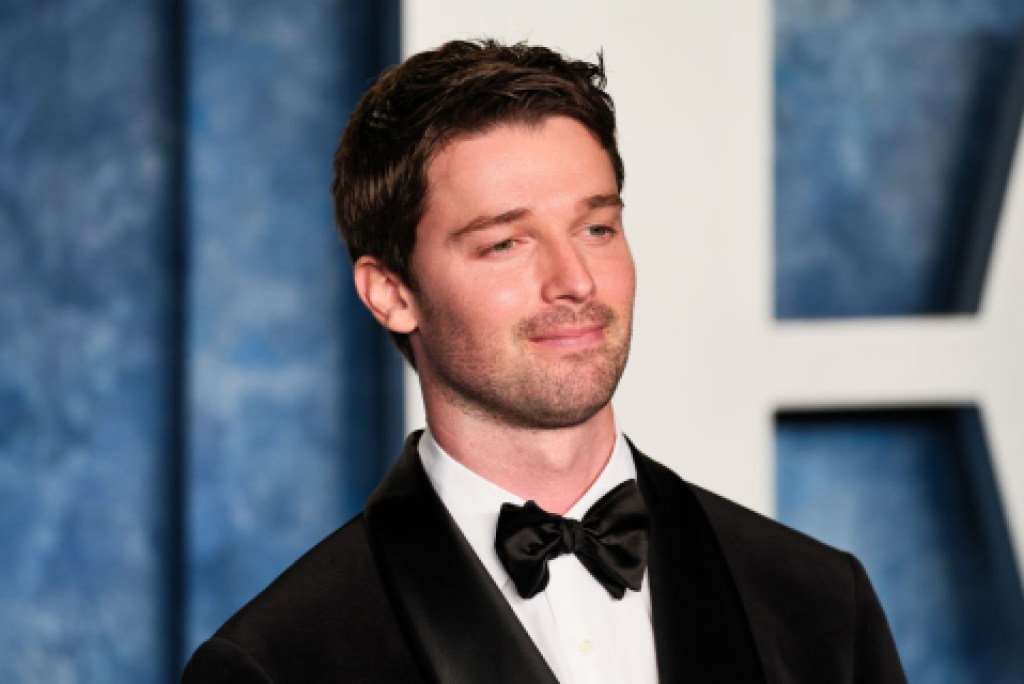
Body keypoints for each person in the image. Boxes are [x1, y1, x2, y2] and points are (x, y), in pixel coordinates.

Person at [182, 39, 907, 684]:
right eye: (507, 242)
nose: (576, 281)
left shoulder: (822, 603)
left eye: (596, 227)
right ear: (392, 293)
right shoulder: (272, 665)